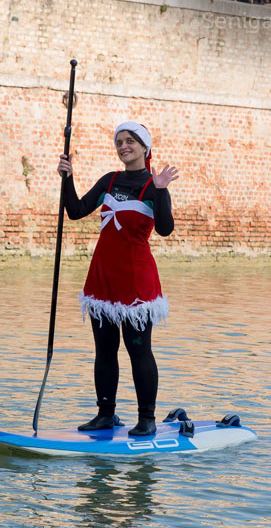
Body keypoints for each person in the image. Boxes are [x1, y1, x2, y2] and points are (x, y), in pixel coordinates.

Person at [56, 122, 179, 435]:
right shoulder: (109, 180)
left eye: (131, 141)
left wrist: (162, 190)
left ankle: (146, 419)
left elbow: (165, 228)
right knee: (105, 350)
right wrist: (67, 178)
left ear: (144, 147)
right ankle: (106, 414)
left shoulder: (153, 184)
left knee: (139, 351)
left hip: (136, 282)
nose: (124, 146)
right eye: (120, 142)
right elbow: (75, 210)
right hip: (103, 278)